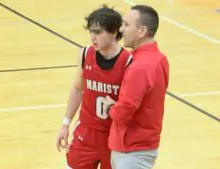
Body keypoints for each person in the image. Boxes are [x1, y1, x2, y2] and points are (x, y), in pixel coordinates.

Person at [56, 5, 132, 169]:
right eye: (91, 32)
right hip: (86, 133)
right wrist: (65, 124)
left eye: (98, 32)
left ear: (113, 33)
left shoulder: (128, 62)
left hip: (114, 136)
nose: (92, 37)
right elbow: (77, 89)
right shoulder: (85, 54)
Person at [102, 5, 169, 169]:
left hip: (131, 151)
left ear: (142, 31)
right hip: (141, 147)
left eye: (126, 24)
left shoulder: (140, 67)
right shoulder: (159, 59)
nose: (121, 29)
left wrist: (110, 107)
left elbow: (124, 111)